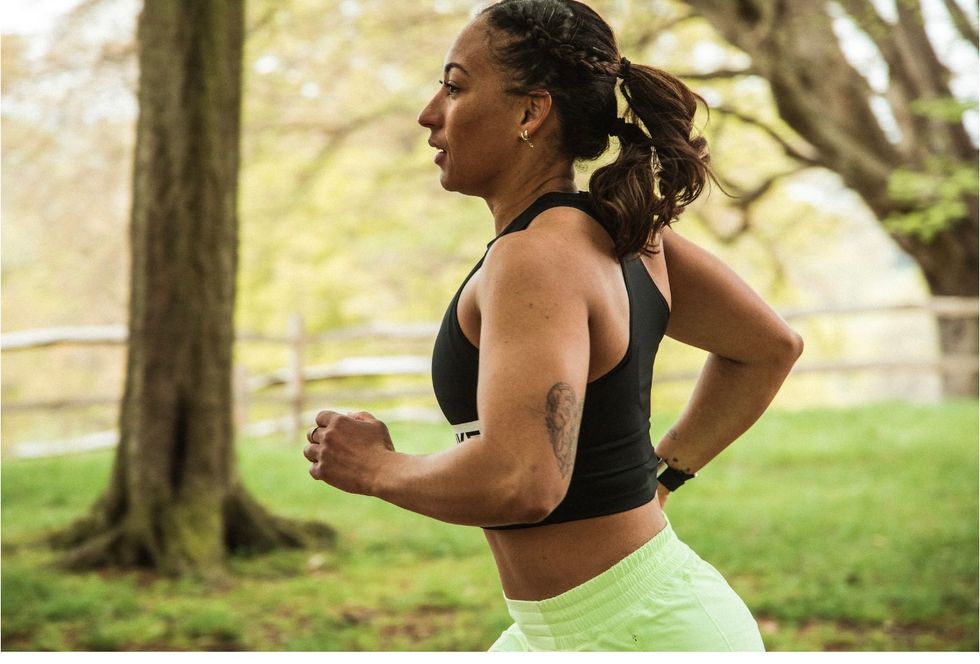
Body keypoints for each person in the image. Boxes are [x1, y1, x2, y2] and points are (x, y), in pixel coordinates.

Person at [303, 0, 803, 652]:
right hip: (568, 630)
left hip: (640, 635)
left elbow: (523, 480)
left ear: (530, 112)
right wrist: (664, 477)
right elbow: (768, 349)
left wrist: (375, 468)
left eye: (454, 86)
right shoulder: (624, 232)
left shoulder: (534, 255)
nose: (430, 113)